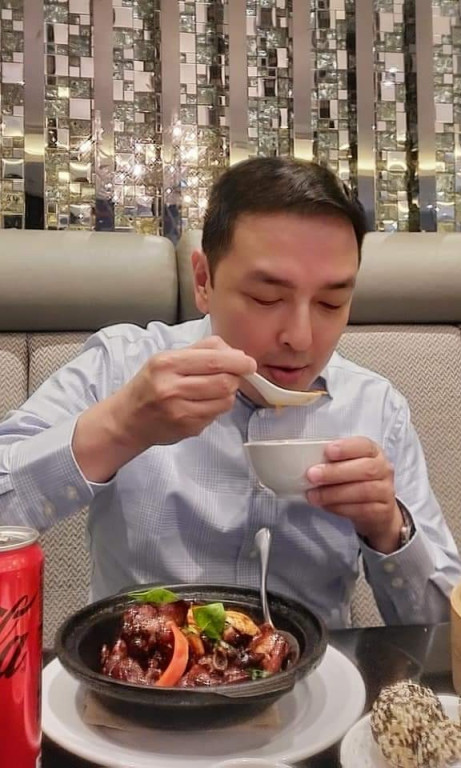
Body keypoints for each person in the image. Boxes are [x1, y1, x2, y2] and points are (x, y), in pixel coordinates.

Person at [0, 157, 459, 629]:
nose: (301, 338)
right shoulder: (121, 366)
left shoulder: (377, 408)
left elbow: (446, 631)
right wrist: (119, 427)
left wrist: (389, 528)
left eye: (331, 302)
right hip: (142, 665)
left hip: (317, 671)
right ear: (204, 281)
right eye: (266, 298)